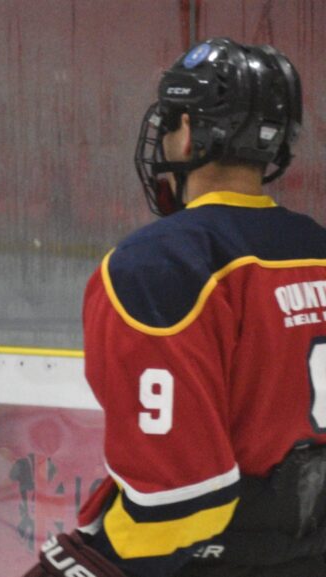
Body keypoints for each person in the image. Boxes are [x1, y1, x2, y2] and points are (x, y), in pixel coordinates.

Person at [24, 37, 314, 577]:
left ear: (190, 134)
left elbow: (179, 504)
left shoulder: (158, 264)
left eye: (174, 120)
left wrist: (87, 560)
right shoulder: (316, 248)